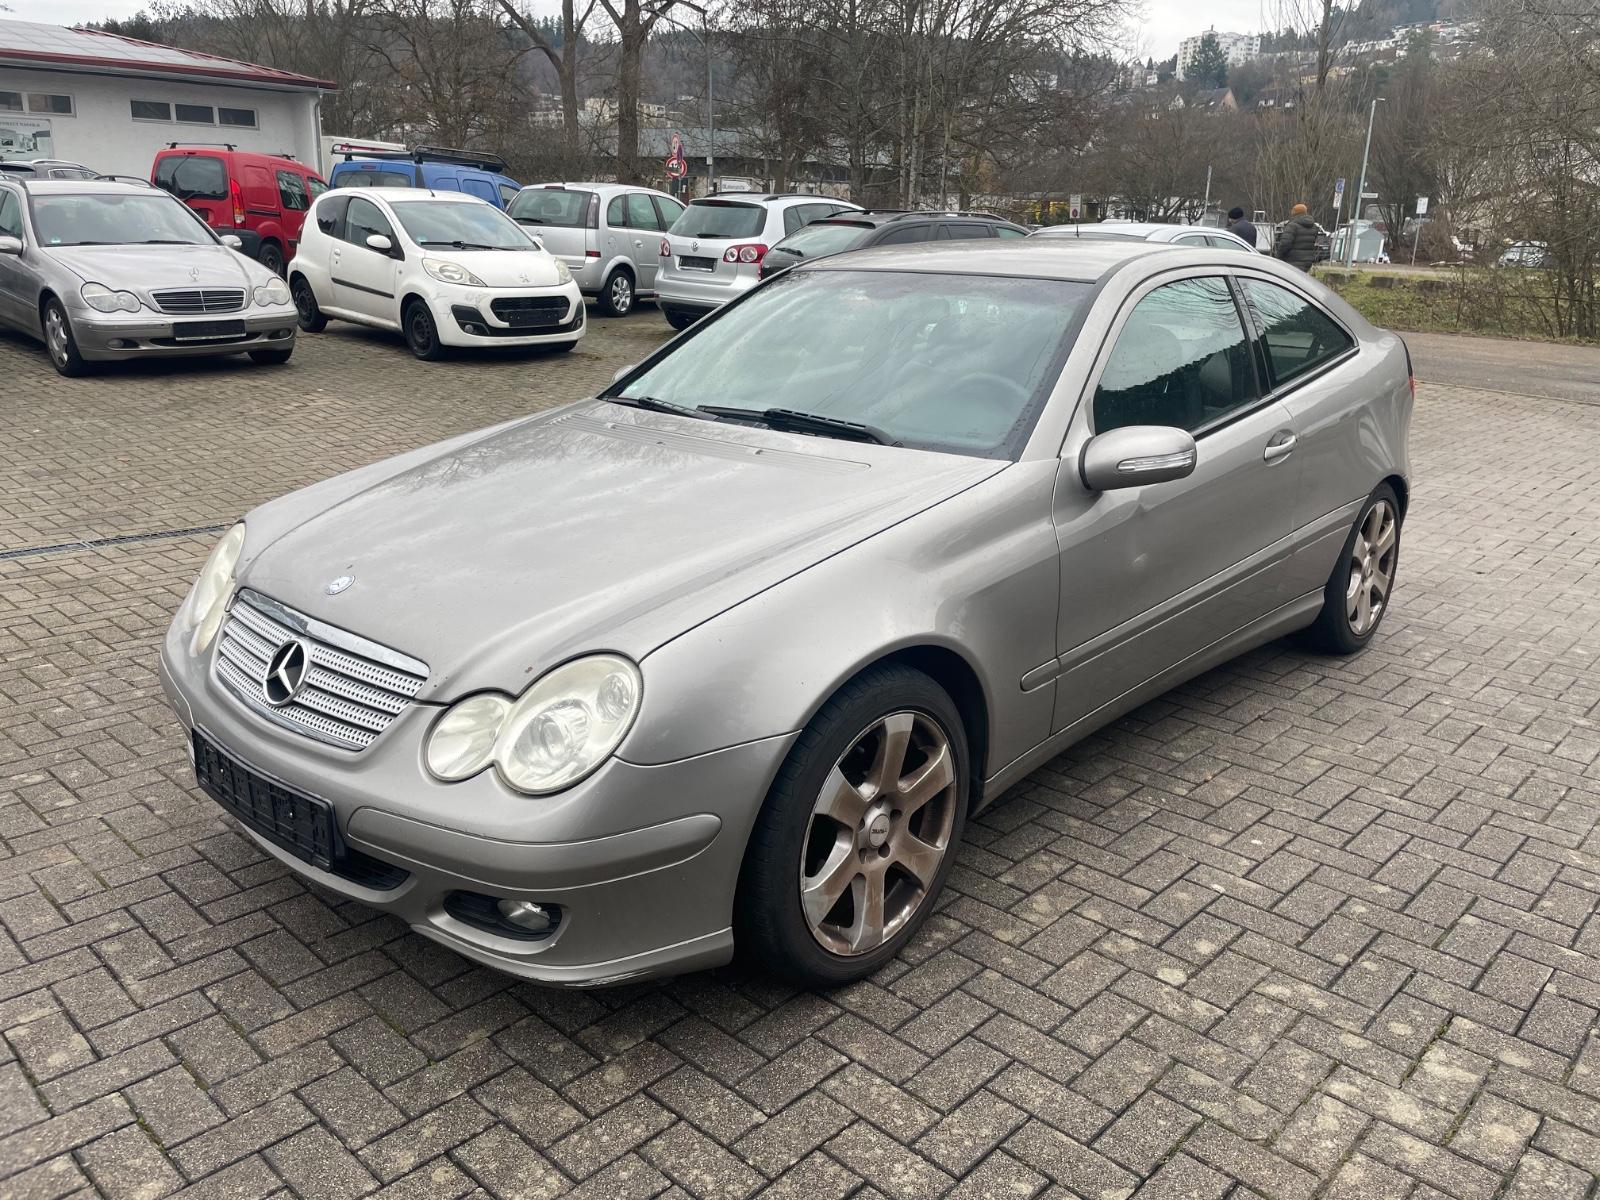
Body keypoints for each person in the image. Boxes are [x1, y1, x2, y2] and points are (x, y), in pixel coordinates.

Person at [1274, 203, 1320, 270]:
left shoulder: (1292, 226)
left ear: (1294, 213)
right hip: (1307, 262)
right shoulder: (1314, 227)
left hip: (1292, 261)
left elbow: (1285, 244)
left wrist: (1278, 257)